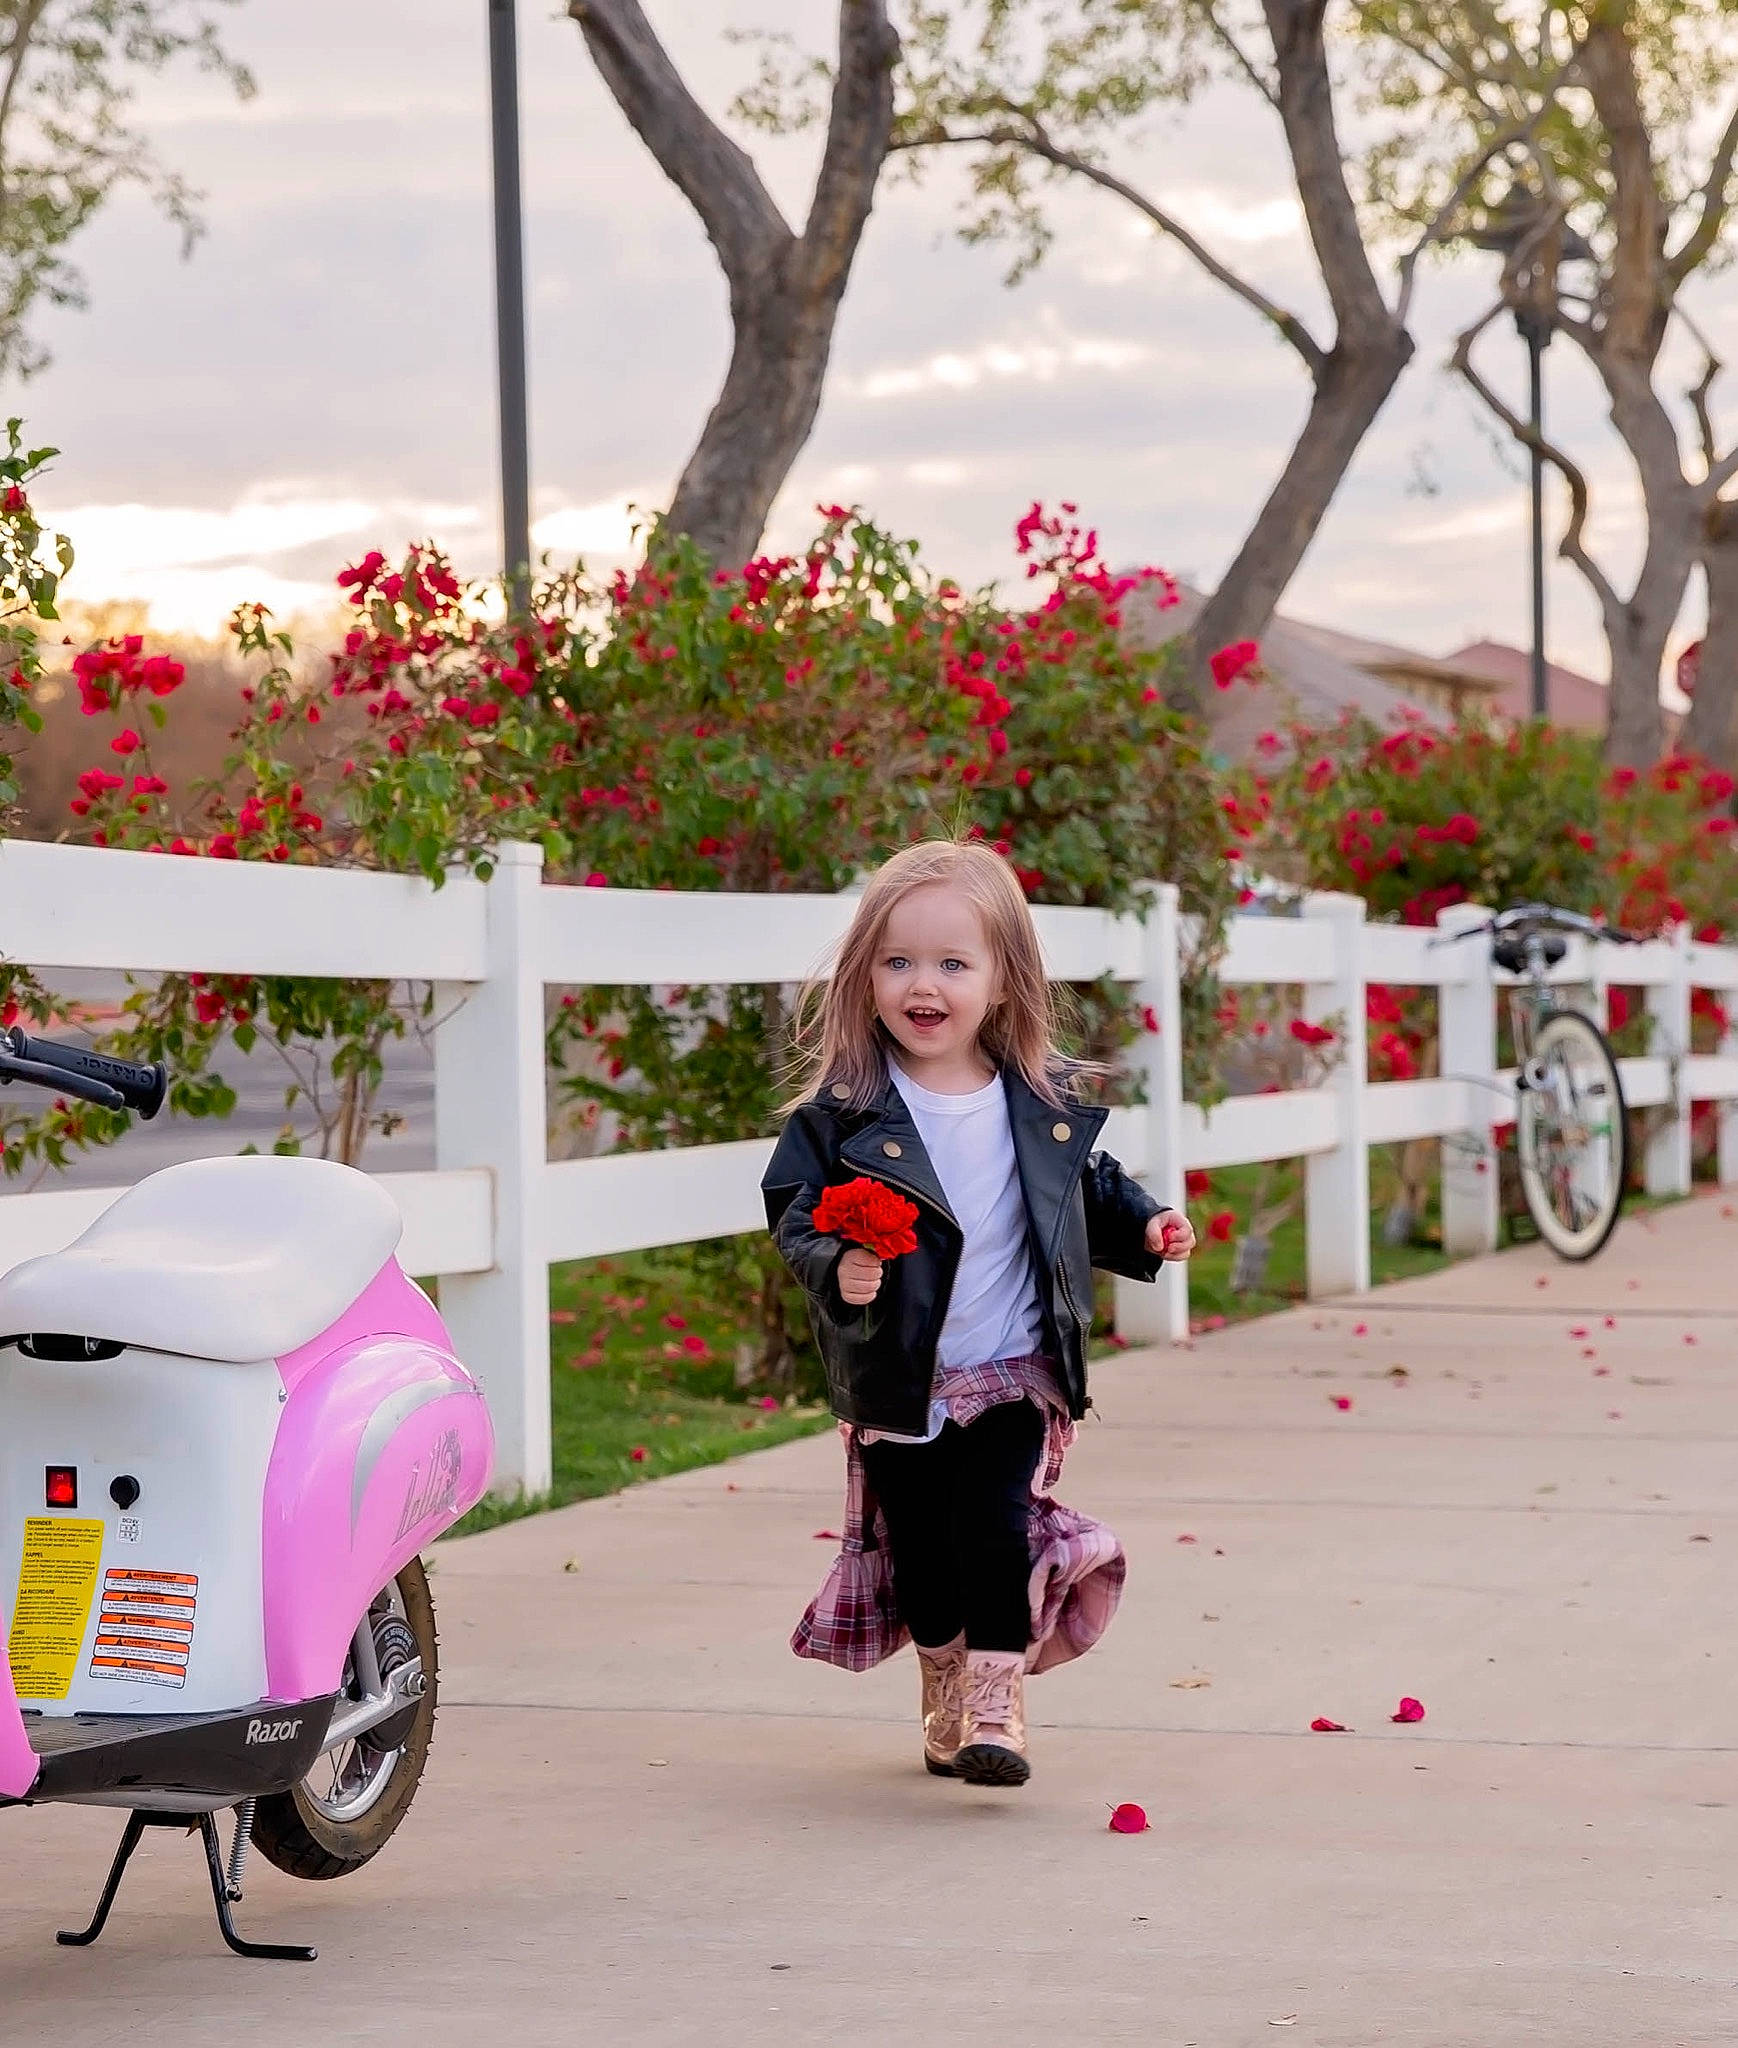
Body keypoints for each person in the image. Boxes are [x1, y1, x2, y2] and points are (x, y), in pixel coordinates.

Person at [761, 838, 1195, 1789]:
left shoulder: (1035, 1106)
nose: (926, 984)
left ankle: (999, 1702)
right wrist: (838, 1263)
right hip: (900, 1373)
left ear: (1002, 982)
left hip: (1012, 1367)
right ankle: (947, 1681)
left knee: (992, 1524)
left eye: (954, 964)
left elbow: (1090, 1187)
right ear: (866, 975)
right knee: (921, 1547)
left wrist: (1151, 1224)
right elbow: (794, 1212)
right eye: (899, 961)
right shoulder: (844, 1116)